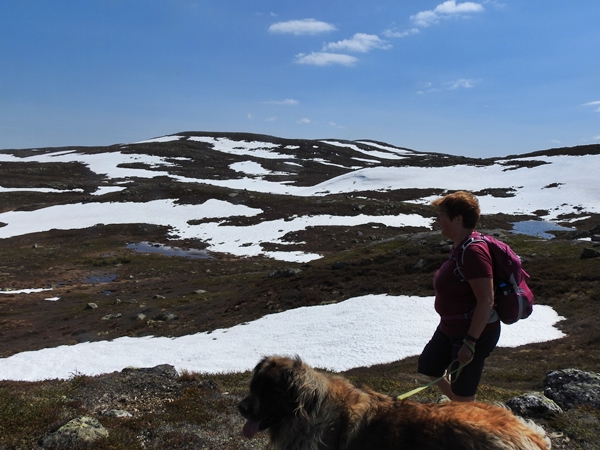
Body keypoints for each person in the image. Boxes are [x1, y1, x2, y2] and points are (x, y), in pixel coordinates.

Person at [418, 191, 500, 402]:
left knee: (464, 393)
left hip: (471, 334)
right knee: (429, 365)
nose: (438, 220)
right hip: (450, 328)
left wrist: (470, 343)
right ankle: (459, 405)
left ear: (458, 219)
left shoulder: (473, 252)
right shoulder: (459, 247)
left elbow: (486, 301)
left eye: (442, 215)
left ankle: (467, 417)